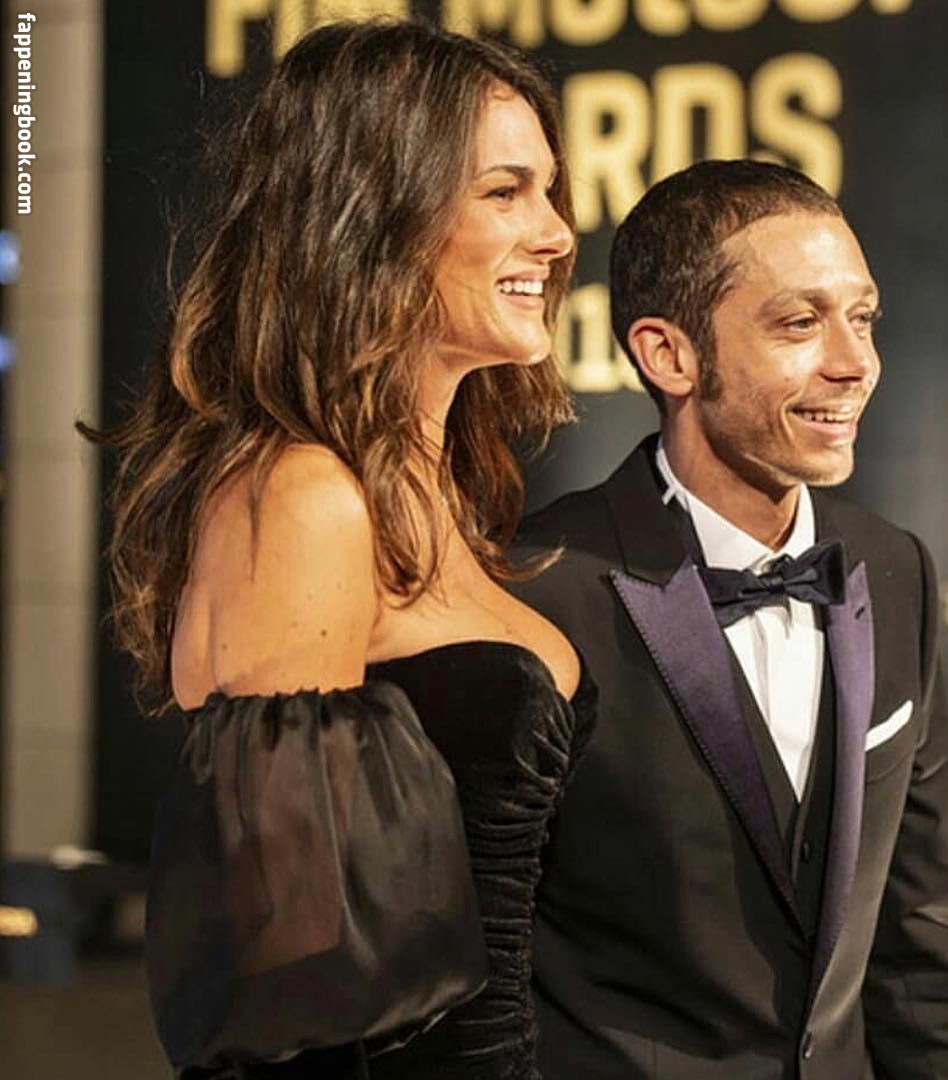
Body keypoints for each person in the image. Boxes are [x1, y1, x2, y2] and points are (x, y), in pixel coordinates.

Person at [82, 20, 594, 1080]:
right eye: (504, 192)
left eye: (549, 192)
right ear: (376, 217)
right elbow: (283, 1007)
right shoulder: (306, 497)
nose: (554, 234)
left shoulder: (431, 489)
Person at [512, 160, 948, 1078]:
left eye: (862, 318)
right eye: (800, 323)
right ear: (670, 355)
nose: (855, 363)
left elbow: (921, 937)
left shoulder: (898, 570)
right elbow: (480, 960)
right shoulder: (537, 587)